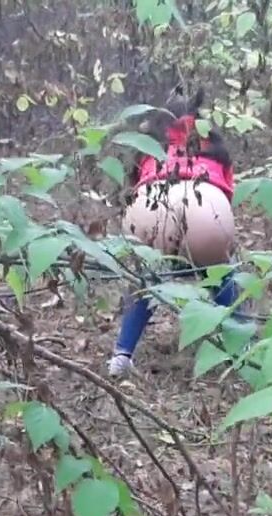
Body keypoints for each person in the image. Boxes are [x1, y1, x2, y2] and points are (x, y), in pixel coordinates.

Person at [107, 88, 241, 378]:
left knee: (147, 279)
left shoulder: (148, 146)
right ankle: (240, 352)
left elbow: (131, 187)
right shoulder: (215, 146)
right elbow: (228, 196)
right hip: (206, 206)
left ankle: (122, 354)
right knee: (223, 273)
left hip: (151, 207)